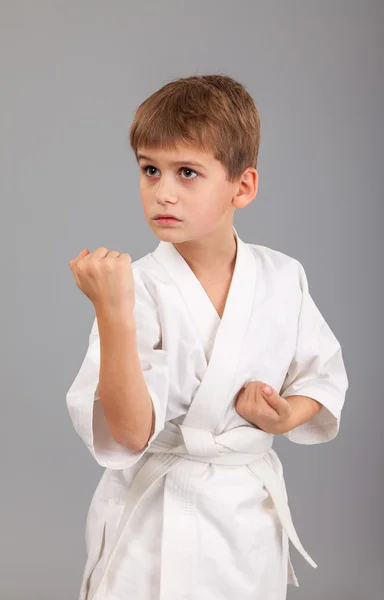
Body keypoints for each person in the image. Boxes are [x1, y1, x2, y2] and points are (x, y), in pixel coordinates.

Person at [66, 74, 349, 600]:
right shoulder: (137, 288)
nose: (163, 192)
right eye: (150, 170)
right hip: (154, 517)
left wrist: (285, 415)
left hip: (245, 515)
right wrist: (113, 310)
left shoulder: (283, 276)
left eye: (187, 172)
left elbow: (321, 376)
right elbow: (128, 435)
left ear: (242, 186)